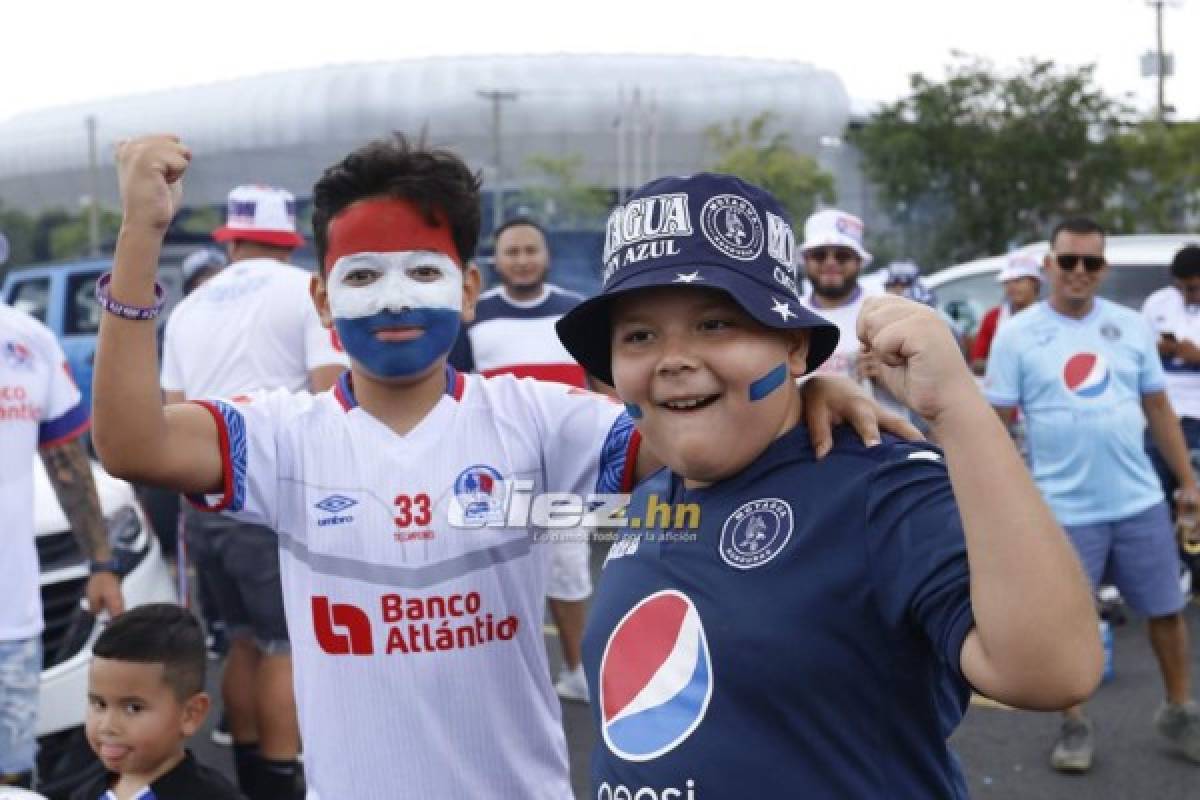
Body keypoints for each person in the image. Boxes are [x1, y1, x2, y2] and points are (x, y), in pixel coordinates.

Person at [92, 133, 912, 798]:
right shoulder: (282, 436)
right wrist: (140, 238)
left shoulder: (532, 416)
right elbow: (131, 443)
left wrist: (798, 395)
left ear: (470, 288)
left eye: (423, 272)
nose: (395, 298)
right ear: (322, 303)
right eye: (363, 277)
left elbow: (696, 435)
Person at [555, 173, 1102, 798]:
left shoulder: (879, 485)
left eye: (714, 325)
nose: (673, 358)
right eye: (639, 336)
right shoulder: (653, 496)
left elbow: (1054, 670)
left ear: (792, 346)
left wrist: (957, 410)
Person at [986, 217, 1200, 772]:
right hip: (1061, 509)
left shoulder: (1130, 327)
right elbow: (998, 422)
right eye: (1069, 260)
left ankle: (1180, 710)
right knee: (1070, 623)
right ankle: (1074, 723)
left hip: (1138, 500)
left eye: (1091, 262)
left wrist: (1189, 483)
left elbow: (1158, 408)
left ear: (1102, 269)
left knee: (1167, 611)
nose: (1079, 271)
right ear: (1049, 264)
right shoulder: (1017, 334)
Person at [159, 185, 348, 800]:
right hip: (276, 494)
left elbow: (174, 417)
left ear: (231, 238)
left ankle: (247, 779)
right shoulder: (305, 291)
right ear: (290, 239)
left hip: (207, 500)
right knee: (284, 646)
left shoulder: (189, 308)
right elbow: (329, 398)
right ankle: (280, 782)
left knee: (239, 640)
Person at [464, 217, 593, 702]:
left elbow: (600, 385)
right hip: (495, 473)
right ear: (494, 260)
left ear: (546, 256)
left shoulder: (574, 311)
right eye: (511, 252)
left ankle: (578, 671)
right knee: (499, 577)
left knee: (569, 572)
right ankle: (507, 677)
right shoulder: (474, 315)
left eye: (530, 250)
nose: (521, 260)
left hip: (567, 471)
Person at [0, 301, 124, 791]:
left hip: (11, 621)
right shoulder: (27, 340)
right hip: (11, 620)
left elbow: (68, 463)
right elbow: (67, 465)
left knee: (11, 776)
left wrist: (101, 562)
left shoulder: (28, 341)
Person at [72, 604, 243, 800]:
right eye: (99, 704)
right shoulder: (86, 795)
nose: (108, 726)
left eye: (133, 708)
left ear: (190, 714)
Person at [1142, 243, 1200, 572]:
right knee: (1157, 498)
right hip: (1161, 417)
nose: (1187, 295)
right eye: (1181, 287)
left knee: (1195, 505)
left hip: (1198, 418)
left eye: (1193, 288)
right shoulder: (1158, 303)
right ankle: (1167, 569)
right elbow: (1135, 351)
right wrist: (1159, 349)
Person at [970, 253, 1042, 375]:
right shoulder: (992, 318)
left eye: (1018, 280)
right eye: (1007, 281)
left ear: (1034, 282)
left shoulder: (1050, 315)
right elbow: (977, 363)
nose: (1012, 286)